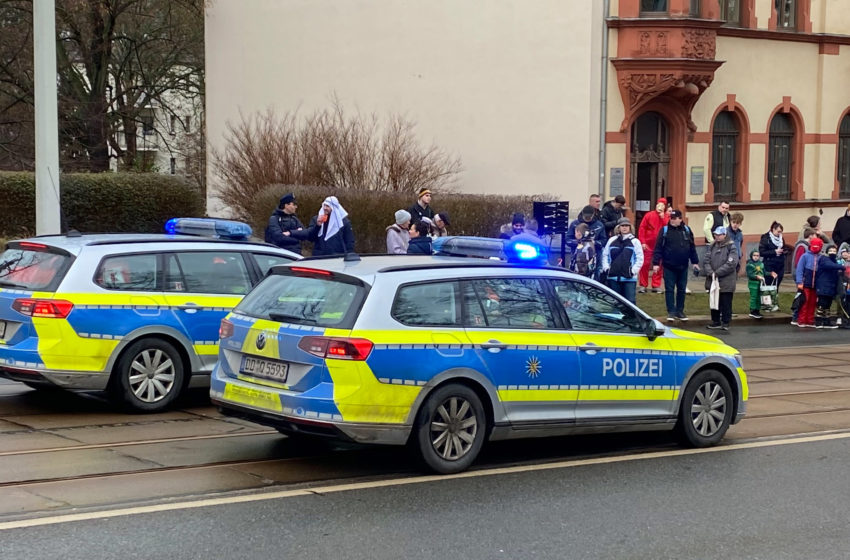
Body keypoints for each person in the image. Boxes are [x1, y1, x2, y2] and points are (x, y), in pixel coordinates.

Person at [651, 209, 699, 322]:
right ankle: (671, 311)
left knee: (682, 289)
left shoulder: (687, 230)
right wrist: (656, 263)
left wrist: (695, 262)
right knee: (669, 289)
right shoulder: (664, 231)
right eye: (671, 218)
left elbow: (692, 247)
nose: (672, 220)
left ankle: (680, 311)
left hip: (683, 266)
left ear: (680, 219)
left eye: (674, 218)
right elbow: (658, 248)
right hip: (669, 266)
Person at [702, 226, 738, 331]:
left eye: (718, 235)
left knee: (726, 301)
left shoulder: (731, 247)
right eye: (715, 235)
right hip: (713, 280)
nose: (716, 236)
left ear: (724, 235)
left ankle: (726, 322)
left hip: (726, 280)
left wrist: (717, 273)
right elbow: (706, 260)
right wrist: (710, 272)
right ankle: (715, 321)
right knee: (714, 301)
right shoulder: (712, 245)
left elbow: (731, 264)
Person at [601, 218, 643, 304]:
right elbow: (605, 255)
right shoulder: (611, 240)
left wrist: (633, 271)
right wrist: (607, 269)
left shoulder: (635, 242)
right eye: (622, 226)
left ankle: (631, 318)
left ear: (630, 227)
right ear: (618, 227)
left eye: (627, 226)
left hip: (629, 278)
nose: (624, 228)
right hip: (613, 277)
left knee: (630, 303)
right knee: (615, 303)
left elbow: (639, 258)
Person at [637, 197, 668, 293]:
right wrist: (642, 242)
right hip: (648, 245)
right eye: (659, 204)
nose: (660, 207)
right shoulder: (649, 215)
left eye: (662, 205)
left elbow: (667, 228)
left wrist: (663, 218)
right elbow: (642, 228)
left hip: (661, 245)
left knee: (659, 265)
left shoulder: (667, 217)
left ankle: (656, 285)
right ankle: (643, 284)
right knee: (645, 264)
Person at [759, 221, 792, 308]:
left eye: (781, 232)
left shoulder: (781, 238)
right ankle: (766, 303)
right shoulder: (766, 239)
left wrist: (784, 251)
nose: (779, 234)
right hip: (769, 264)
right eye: (778, 231)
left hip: (780, 264)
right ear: (773, 230)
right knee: (768, 284)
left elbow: (783, 247)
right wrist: (774, 252)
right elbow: (762, 252)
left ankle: (774, 302)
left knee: (776, 284)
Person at [745, 250, 772, 319]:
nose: (756, 257)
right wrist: (756, 276)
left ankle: (757, 310)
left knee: (759, 297)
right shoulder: (749, 264)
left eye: (757, 256)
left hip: (761, 284)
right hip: (753, 284)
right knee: (754, 297)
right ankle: (752, 311)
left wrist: (771, 273)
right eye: (754, 255)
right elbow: (750, 274)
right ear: (751, 256)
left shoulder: (761, 264)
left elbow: (764, 272)